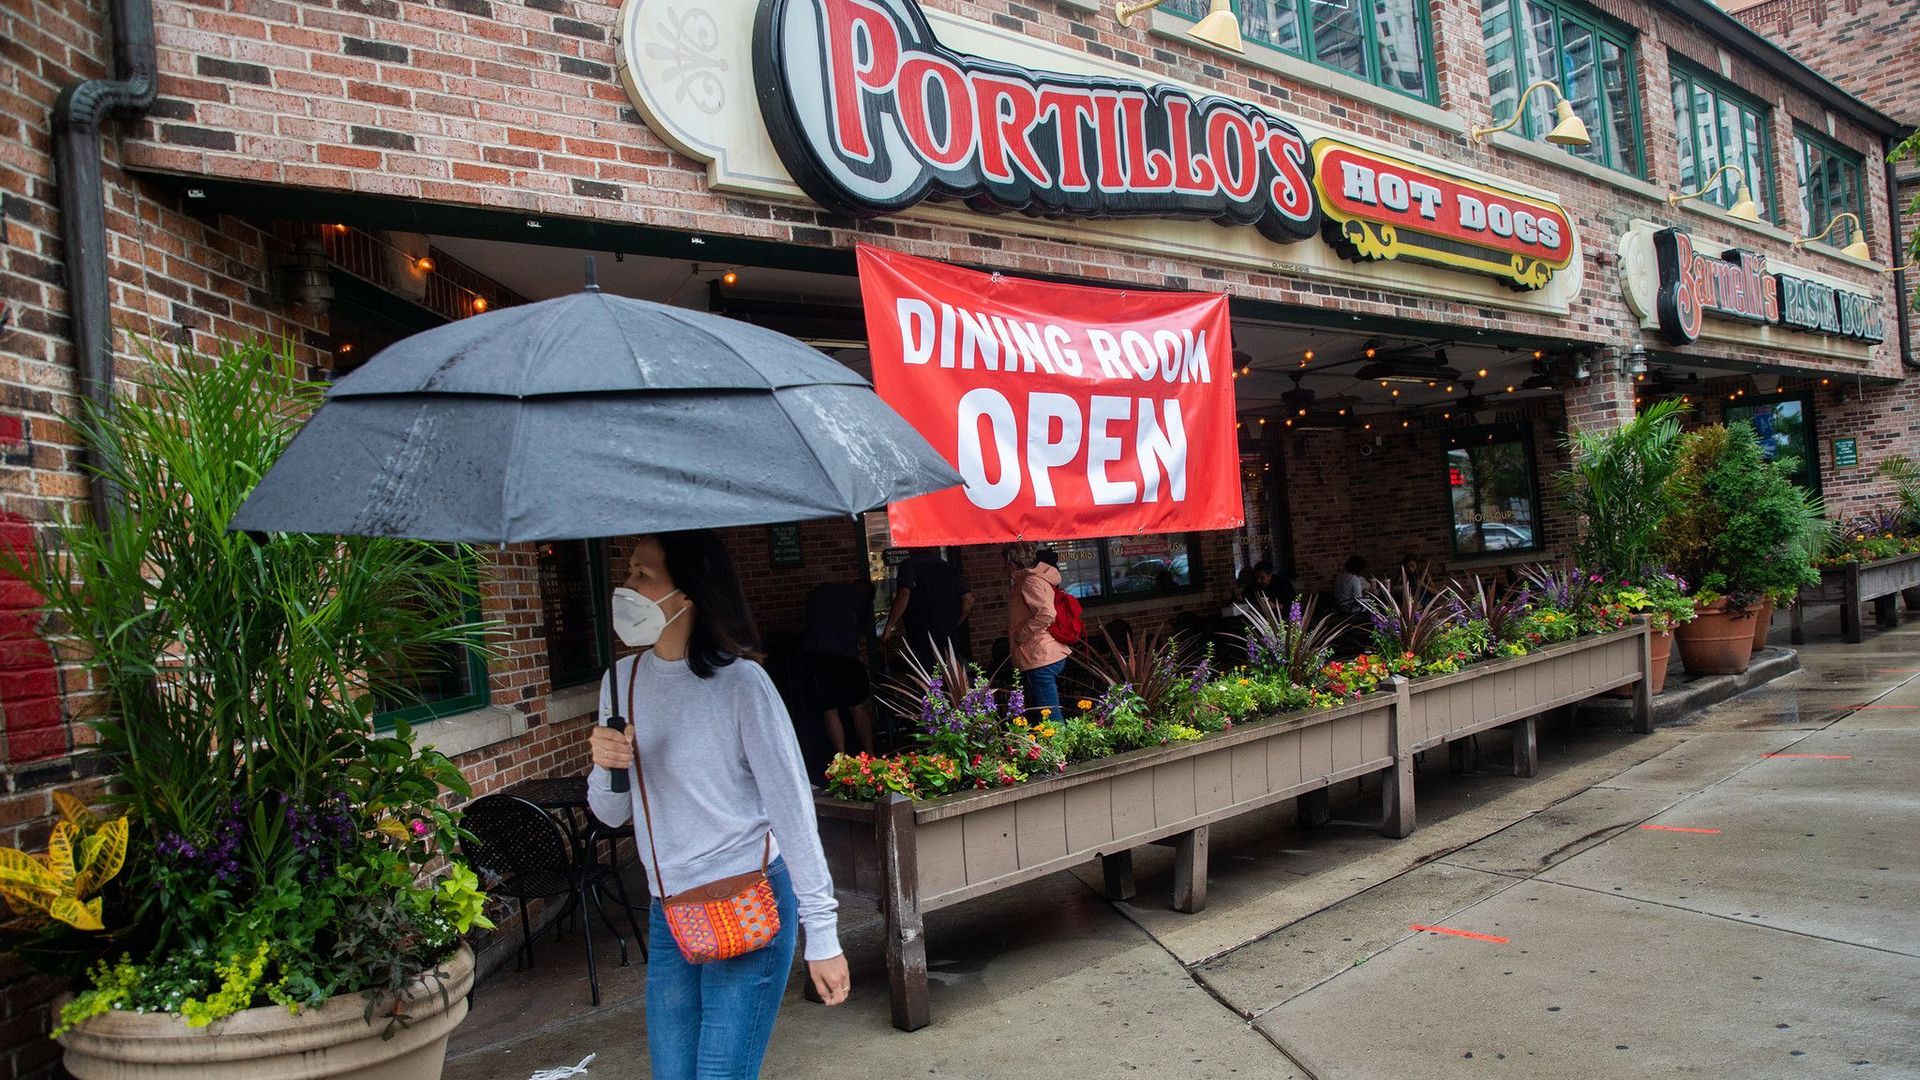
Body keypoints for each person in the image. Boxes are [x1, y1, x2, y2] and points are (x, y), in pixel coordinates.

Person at [587, 531, 849, 1079]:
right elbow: (611, 816)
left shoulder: (741, 684)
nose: (625, 586)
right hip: (671, 912)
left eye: (642, 574)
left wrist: (821, 935)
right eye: (627, 571)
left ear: (687, 591)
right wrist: (606, 765)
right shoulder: (621, 683)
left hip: (747, 899)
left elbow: (793, 810)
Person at [802, 579, 874, 757]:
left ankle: (840, 758)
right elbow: (862, 629)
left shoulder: (821, 591)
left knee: (830, 708)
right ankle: (870, 753)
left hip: (819, 657)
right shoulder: (859, 598)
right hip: (847, 658)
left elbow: (808, 624)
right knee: (857, 706)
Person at [1006, 543, 1071, 716]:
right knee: (1044, 715)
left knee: (1051, 719)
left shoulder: (1029, 582)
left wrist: (1022, 635)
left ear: (1011, 562)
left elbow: (1047, 613)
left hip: (1040, 655)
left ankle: (1059, 743)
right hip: (1042, 653)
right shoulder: (1030, 580)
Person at [881, 548, 974, 664]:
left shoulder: (909, 565)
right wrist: (956, 622)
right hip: (949, 636)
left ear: (913, 549)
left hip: (922, 635)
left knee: (926, 675)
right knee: (950, 674)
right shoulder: (949, 568)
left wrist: (889, 626)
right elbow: (968, 600)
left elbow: (903, 595)